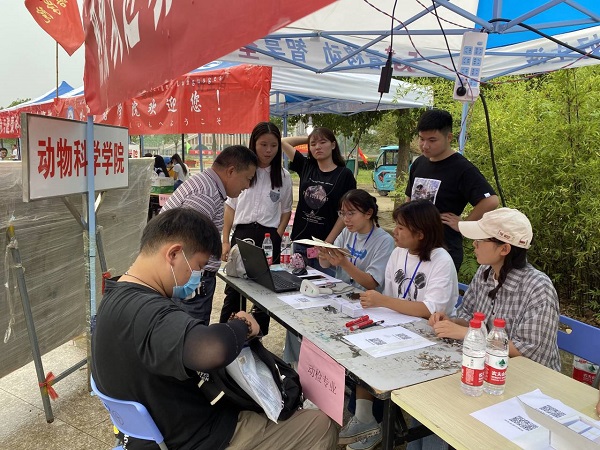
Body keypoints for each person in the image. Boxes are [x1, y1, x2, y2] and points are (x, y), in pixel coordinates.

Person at [92, 208, 338, 450]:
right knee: (321, 425)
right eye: (198, 266)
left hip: (154, 432)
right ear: (174, 254)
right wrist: (243, 325)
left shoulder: (116, 296)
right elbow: (211, 349)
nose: (197, 277)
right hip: (199, 436)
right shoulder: (148, 312)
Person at [339, 200, 458, 450]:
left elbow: (430, 310)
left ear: (420, 234)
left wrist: (382, 301)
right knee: (359, 348)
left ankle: (374, 423)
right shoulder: (398, 252)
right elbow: (392, 300)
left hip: (432, 336)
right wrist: (381, 305)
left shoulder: (441, 260)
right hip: (399, 327)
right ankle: (365, 419)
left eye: (401, 228)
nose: (395, 231)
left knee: (374, 354)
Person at [429, 208, 561, 370]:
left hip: (526, 374)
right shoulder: (485, 271)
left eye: (480, 240)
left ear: (504, 249)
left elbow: (530, 351)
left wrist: (466, 333)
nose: (474, 244)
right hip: (484, 363)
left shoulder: (538, 287)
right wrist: (452, 323)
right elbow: (468, 314)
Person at [160, 145, 258, 324]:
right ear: (231, 171)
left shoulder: (206, 184)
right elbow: (187, 245)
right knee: (189, 335)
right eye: (248, 178)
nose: (247, 186)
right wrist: (193, 281)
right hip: (190, 283)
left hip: (190, 280)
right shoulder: (206, 193)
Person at [219, 122, 293, 335]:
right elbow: (230, 207)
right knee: (234, 291)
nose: (268, 150)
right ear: (254, 143)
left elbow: (286, 210)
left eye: (273, 145)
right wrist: (225, 240)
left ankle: (255, 337)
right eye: (263, 145)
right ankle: (226, 335)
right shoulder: (242, 171)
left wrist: (277, 235)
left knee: (264, 293)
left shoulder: (283, 176)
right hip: (242, 235)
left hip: (268, 238)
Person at [405, 109, 499, 271]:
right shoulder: (419, 163)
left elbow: (491, 200)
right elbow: (409, 198)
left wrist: (464, 225)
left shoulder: (462, 168)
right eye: (421, 139)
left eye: (432, 140)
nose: (425, 145)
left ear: (449, 137)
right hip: (415, 244)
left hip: (444, 249)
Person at [282, 127, 356, 273]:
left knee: (326, 284)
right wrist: (309, 138)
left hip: (326, 248)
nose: (318, 147)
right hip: (301, 242)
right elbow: (283, 141)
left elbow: (345, 213)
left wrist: (327, 242)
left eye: (323, 142)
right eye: (313, 144)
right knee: (299, 284)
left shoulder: (344, 175)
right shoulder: (306, 166)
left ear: (333, 145)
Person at [318, 189, 394, 292]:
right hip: (341, 293)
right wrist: (324, 256)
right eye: (342, 213)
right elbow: (326, 265)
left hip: (366, 298)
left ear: (368, 213)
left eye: (351, 213)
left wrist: (344, 263)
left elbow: (372, 283)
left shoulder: (385, 241)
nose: (345, 219)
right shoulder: (347, 232)